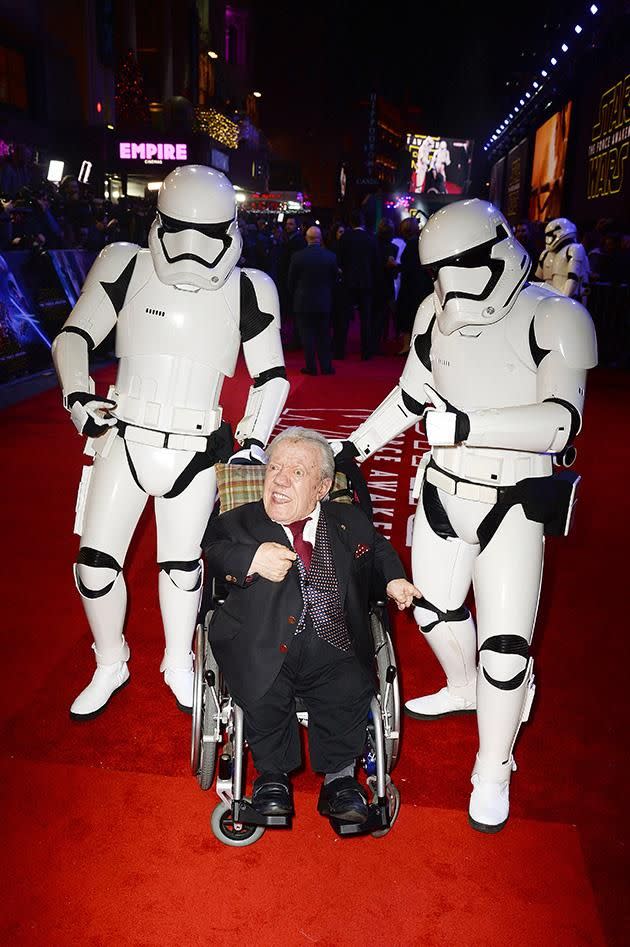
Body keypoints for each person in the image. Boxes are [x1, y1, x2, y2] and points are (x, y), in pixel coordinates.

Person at [333, 199, 597, 833]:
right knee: (428, 606)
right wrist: (353, 448)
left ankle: (493, 764)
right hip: (444, 487)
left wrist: (472, 425)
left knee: (505, 648)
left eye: (460, 267)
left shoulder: (554, 315)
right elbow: (411, 394)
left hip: (515, 499)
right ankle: (465, 687)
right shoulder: (434, 314)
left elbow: (564, 419)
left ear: (497, 254)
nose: (449, 286)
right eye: (438, 271)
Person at [52, 165, 289, 721]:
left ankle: (177, 661)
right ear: (158, 220)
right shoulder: (125, 264)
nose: (191, 248)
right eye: (180, 228)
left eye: (208, 233)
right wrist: (78, 397)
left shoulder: (250, 287)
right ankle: (110, 661)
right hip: (124, 436)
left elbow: (271, 375)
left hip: (197, 445)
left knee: (183, 569)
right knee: (93, 567)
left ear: (230, 229)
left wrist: (253, 438)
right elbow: (74, 336)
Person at [204, 428, 419, 827]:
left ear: (322, 487)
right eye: (275, 469)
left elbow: (378, 550)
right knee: (262, 689)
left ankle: (340, 780)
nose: (279, 480)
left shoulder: (347, 521)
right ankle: (272, 777)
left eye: (296, 472)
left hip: (332, 642)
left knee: (349, 688)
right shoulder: (238, 522)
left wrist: (392, 580)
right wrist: (251, 559)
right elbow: (214, 552)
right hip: (260, 640)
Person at [288, 225, 338, 376]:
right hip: (323, 300)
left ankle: (311, 366)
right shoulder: (330, 256)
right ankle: (326, 366)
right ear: (320, 238)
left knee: (306, 336)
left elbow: (290, 281)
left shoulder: (297, 256)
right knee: (324, 335)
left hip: (303, 301)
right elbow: (334, 279)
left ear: (306, 238)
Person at [336, 210, 379, 360]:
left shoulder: (345, 237)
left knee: (344, 318)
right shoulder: (370, 238)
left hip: (348, 282)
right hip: (366, 282)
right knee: (366, 319)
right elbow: (375, 262)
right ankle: (366, 352)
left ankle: (339, 350)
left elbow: (339, 260)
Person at [395, 216, 432, 355]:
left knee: (408, 315)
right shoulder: (421, 243)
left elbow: (409, 266)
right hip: (421, 284)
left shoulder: (411, 244)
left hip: (411, 286)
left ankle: (408, 346)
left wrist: (397, 266)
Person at [535, 217, 590, 303]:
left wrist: (563, 300)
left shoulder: (574, 249)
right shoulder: (546, 254)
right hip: (548, 299)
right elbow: (538, 280)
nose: (548, 238)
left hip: (570, 300)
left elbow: (573, 279)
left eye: (551, 234)